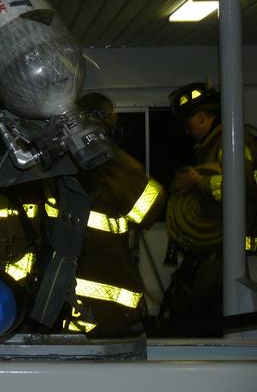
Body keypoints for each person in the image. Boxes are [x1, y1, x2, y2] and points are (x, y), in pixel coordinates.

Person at [41, 93, 166, 337]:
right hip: (109, 303)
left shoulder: (56, 164)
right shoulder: (114, 167)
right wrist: (115, 155)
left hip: (64, 297)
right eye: (111, 118)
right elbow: (148, 210)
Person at [163, 82, 257, 321]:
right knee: (185, 299)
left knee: (203, 309)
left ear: (203, 117)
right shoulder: (212, 144)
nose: (187, 131)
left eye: (188, 123)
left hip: (227, 251)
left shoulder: (232, 140)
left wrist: (200, 181)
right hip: (214, 251)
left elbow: (241, 186)